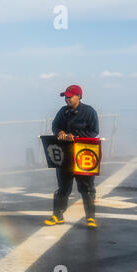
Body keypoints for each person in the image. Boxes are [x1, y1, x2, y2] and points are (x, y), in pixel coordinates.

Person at [44, 85, 99, 229]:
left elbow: (94, 131)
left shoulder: (89, 111)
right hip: (65, 154)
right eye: (66, 96)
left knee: (87, 188)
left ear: (79, 96)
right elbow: (55, 126)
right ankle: (58, 215)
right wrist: (60, 132)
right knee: (63, 187)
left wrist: (77, 137)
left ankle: (90, 218)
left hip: (83, 154)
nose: (67, 99)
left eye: (70, 96)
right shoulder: (63, 111)